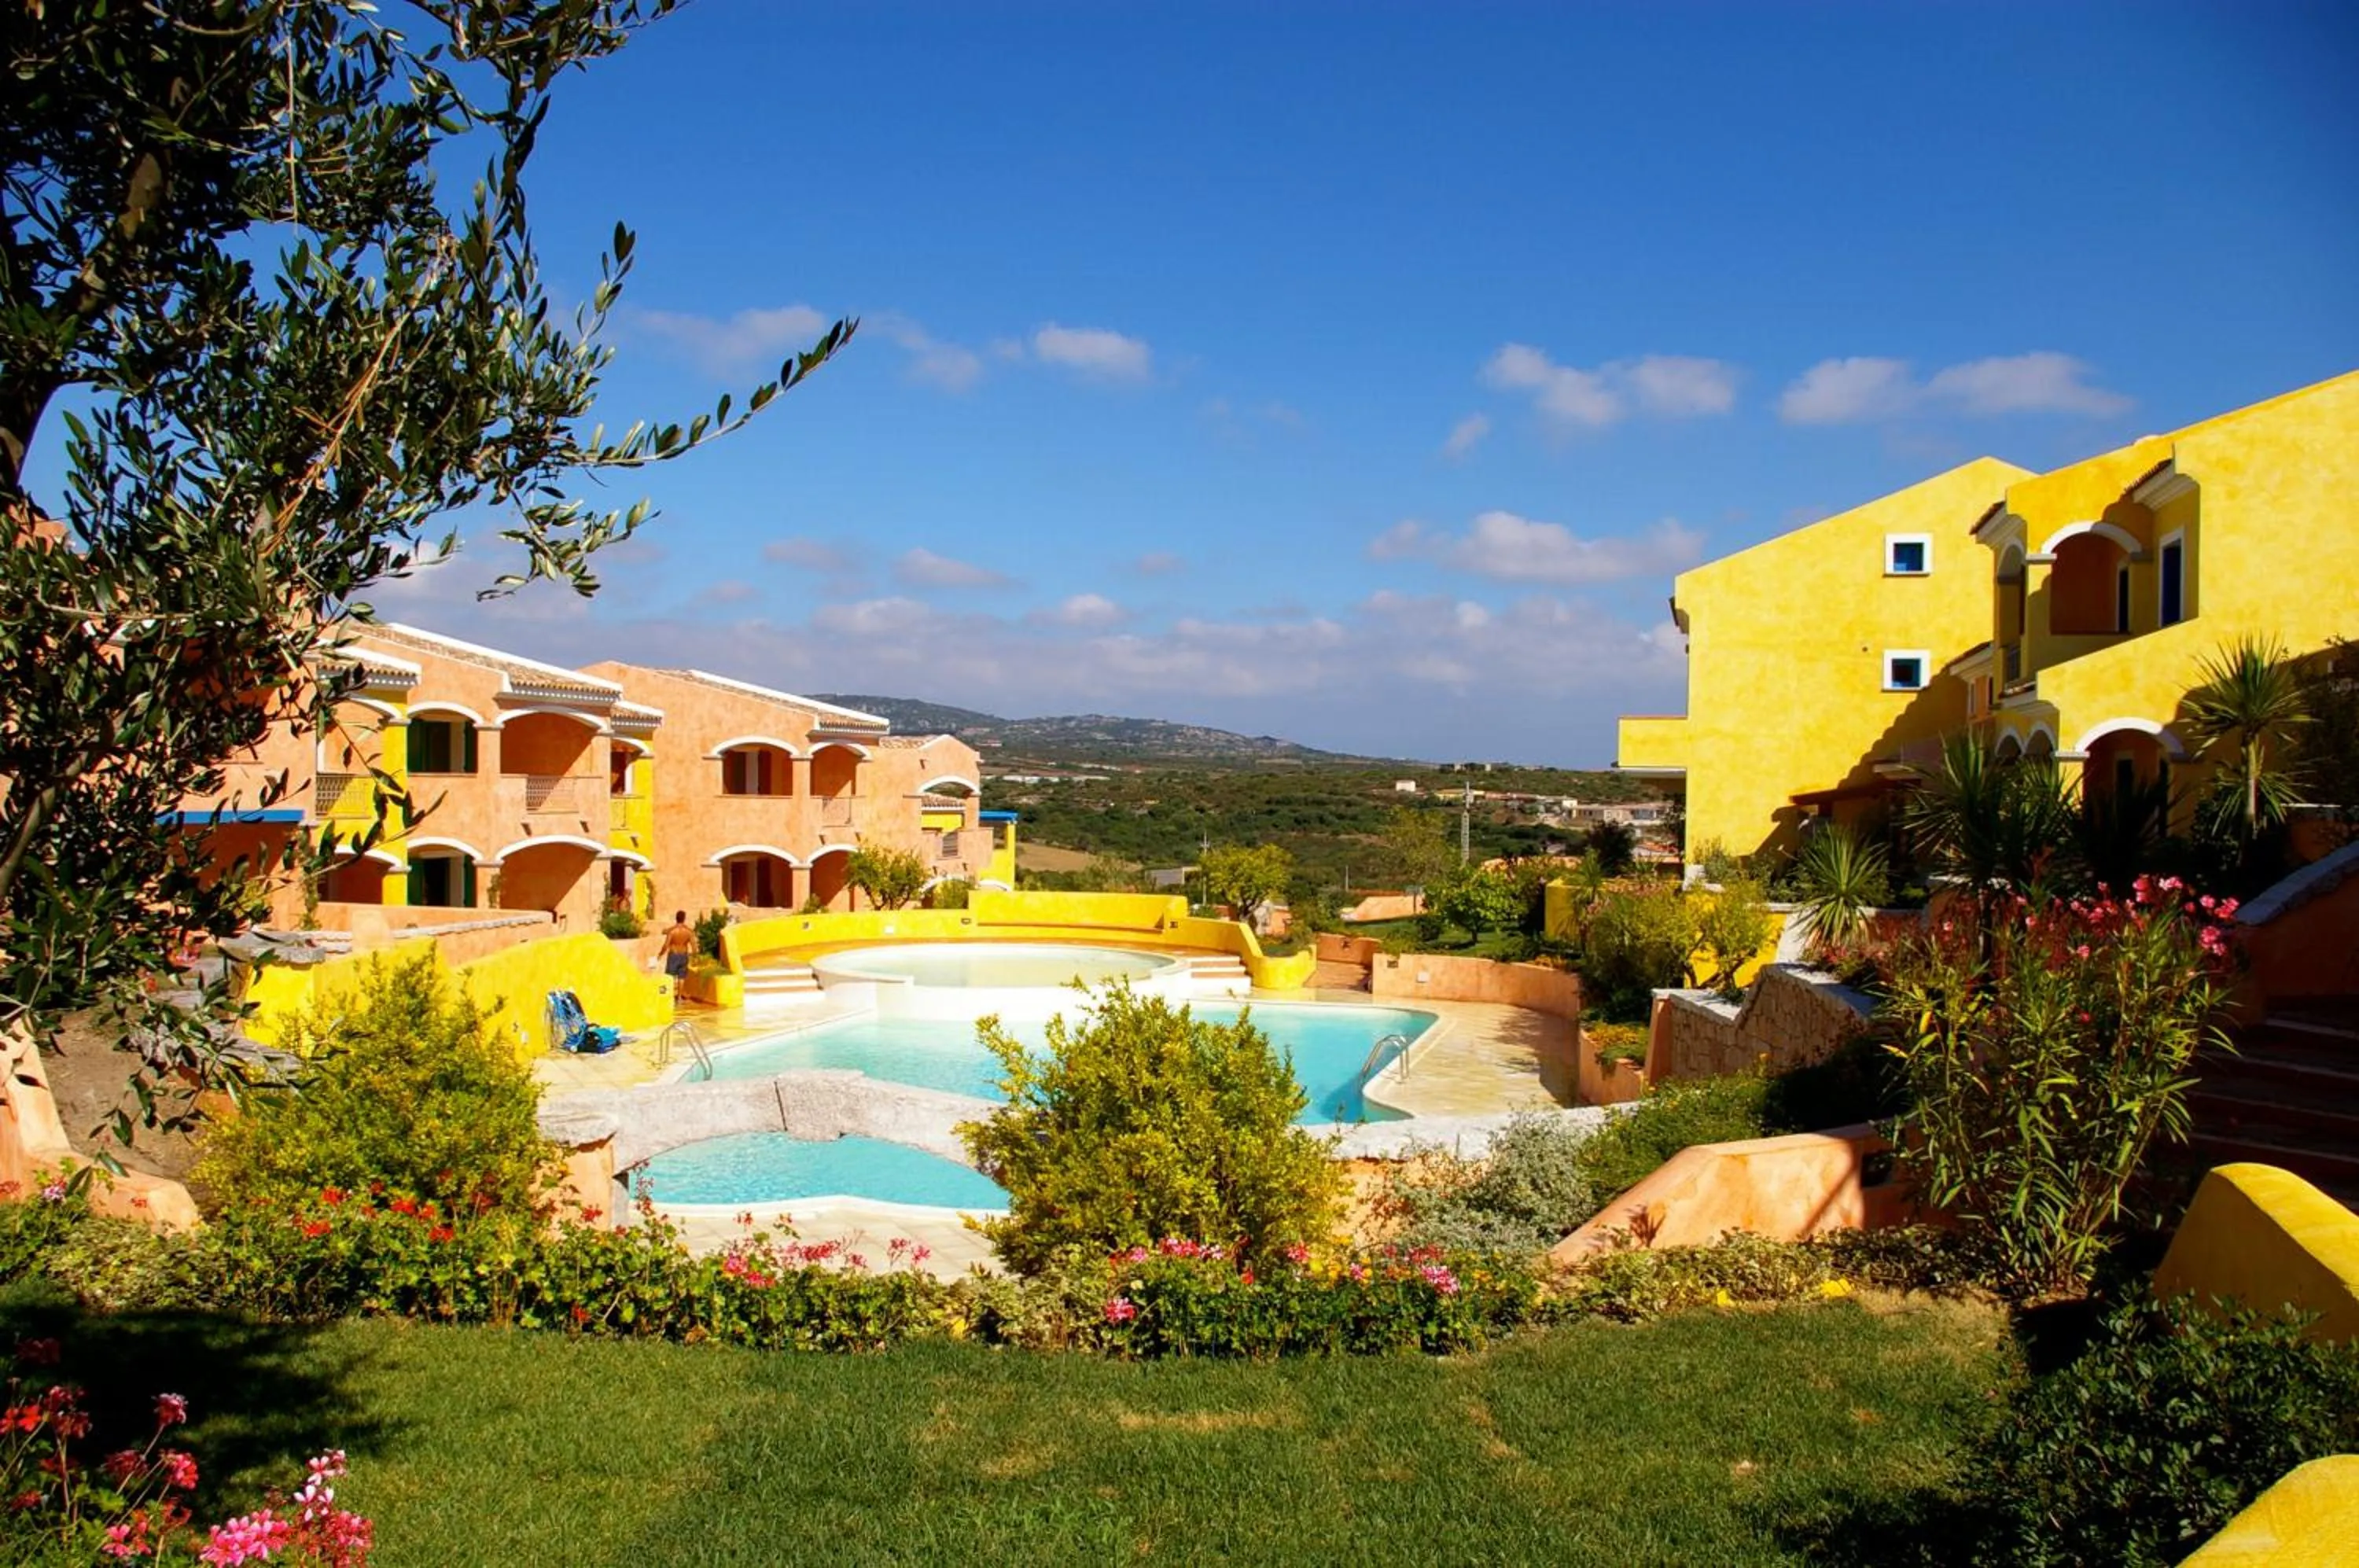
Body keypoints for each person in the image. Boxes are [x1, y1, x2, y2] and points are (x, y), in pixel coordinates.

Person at [662, 910, 696, 982]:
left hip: (673, 955)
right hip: (684, 955)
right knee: (682, 977)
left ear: (676, 918)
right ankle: (680, 994)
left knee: (670, 977)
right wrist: (695, 956)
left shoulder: (672, 931)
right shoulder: (689, 932)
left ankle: (669, 993)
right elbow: (694, 946)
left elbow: (666, 945)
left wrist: (660, 954)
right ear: (684, 919)